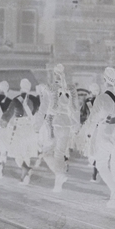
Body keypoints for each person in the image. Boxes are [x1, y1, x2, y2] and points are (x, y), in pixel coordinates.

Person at [85, 67, 115, 207]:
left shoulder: (101, 98)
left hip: (105, 133)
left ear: (104, 81)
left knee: (101, 164)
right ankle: (114, 201)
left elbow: (93, 119)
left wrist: (89, 134)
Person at [38, 64, 80, 192]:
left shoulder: (50, 88)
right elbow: (76, 109)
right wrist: (76, 126)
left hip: (54, 123)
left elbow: (44, 109)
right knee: (59, 153)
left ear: (54, 74)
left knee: (47, 153)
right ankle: (58, 182)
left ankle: (59, 176)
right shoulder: (72, 89)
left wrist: (37, 125)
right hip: (67, 124)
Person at [1, 78, 41, 185]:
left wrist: (3, 123)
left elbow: (8, 114)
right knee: (27, 153)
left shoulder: (16, 100)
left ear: (20, 87)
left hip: (19, 129)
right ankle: (25, 178)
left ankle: (26, 168)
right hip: (30, 129)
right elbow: (40, 113)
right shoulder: (35, 100)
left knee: (17, 154)